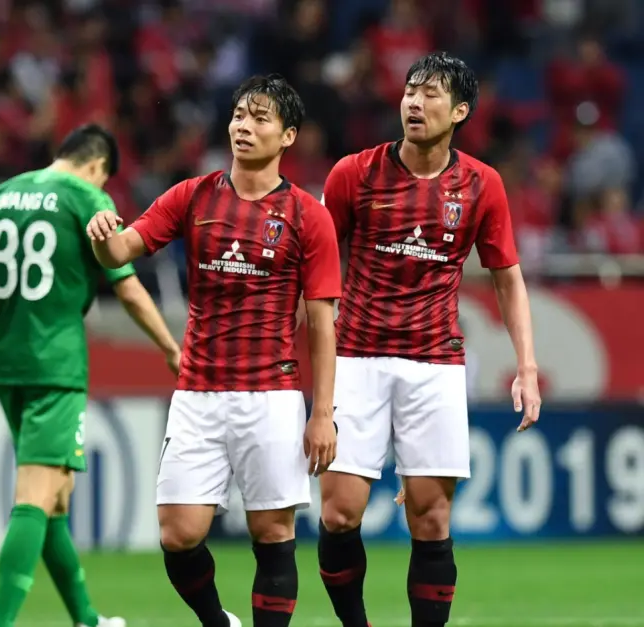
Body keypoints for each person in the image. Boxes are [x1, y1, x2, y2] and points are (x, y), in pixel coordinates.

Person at [86, 75, 341, 627]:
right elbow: (121, 251)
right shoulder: (193, 195)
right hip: (198, 393)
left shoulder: (307, 215)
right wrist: (104, 236)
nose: (243, 126)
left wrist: (322, 413)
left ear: (288, 136)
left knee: (272, 532)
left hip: (272, 395)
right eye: (239, 115)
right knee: (178, 533)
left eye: (260, 118)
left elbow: (323, 324)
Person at [0, 124, 182, 627]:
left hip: (8, 365)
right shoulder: (87, 197)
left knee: (55, 499)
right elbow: (127, 288)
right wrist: (170, 347)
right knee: (35, 496)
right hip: (56, 366)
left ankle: (87, 619)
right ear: (97, 166)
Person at [316, 51, 542, 627]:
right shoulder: (353, 173)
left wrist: (527, 367)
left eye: (430, 94)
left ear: (459, 111)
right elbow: (315, 264)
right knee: (339, 513)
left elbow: (507, 279)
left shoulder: (482, 184)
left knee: (432, 519)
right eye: (410, 91)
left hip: (435, 363)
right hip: (356, 357)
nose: (414, 103)